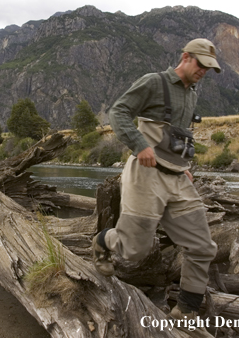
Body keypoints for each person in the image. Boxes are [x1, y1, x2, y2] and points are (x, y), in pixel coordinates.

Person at [92, 38, 220, 329]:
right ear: (185, 57)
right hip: (145, 174)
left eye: (209, 68)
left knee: (202, 247)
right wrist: (139, 146)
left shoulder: (192, 94)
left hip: (178, 178)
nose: (204, 71)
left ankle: (185, 310)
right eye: (201, 64)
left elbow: (180, 135)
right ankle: (102, 242)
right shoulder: (154, 82)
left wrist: (184, 167)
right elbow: (119, 112)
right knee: (134, 251)